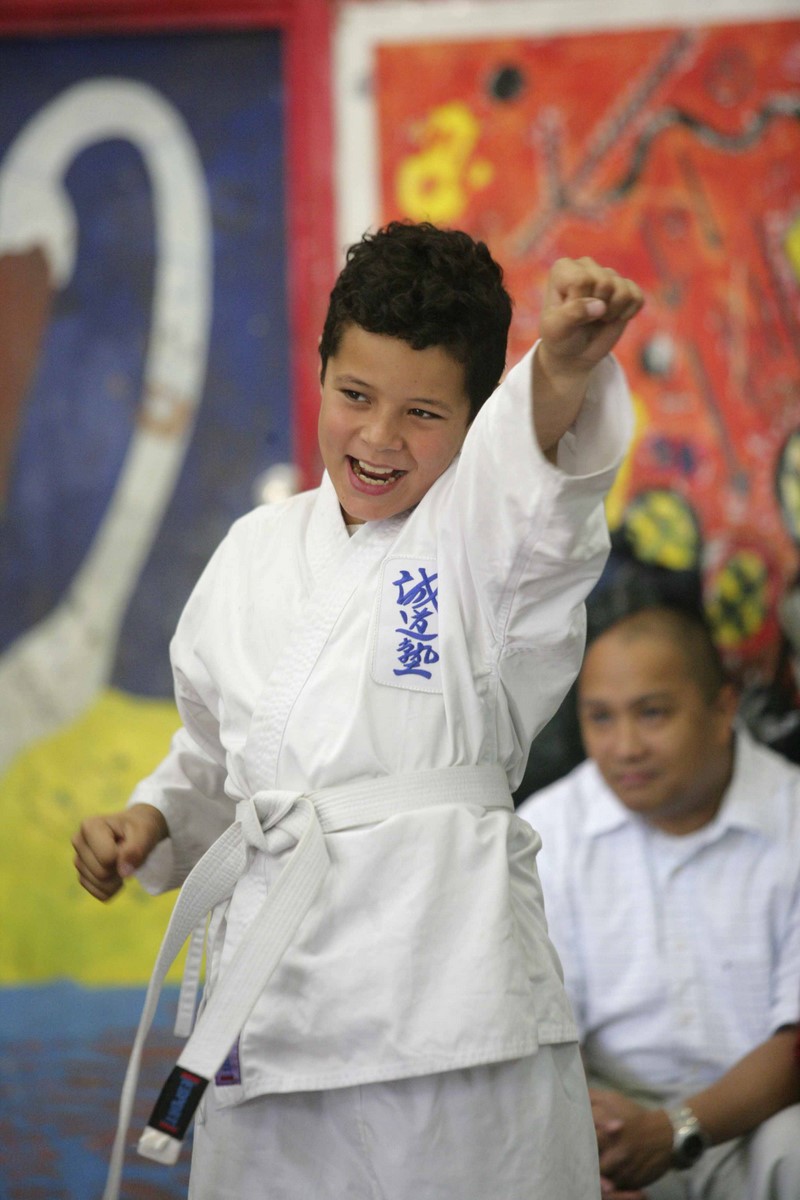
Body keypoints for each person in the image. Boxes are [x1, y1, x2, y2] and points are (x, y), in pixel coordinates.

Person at [72, 222, 643, 1200]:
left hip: (452, 1012)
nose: (379, 439)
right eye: (355, 395)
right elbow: (218, 753)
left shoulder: (484, 545)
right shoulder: (253, 551)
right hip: (273, 1013)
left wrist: (558, 366)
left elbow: (528, 474)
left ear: (477, 420)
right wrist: (152, 819)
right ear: (321, 372)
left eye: (423, 412)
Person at [518, 601, 800, 1199]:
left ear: (723, 709)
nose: (625, 747)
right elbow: (538, 1029)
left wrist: (674, 1131)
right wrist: (586, 1147)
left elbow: (795, 1044)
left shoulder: (793, 819)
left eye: (652, 713)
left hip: (761, 1117)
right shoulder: (546, 831)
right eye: (600, 717)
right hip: (611, 1118)